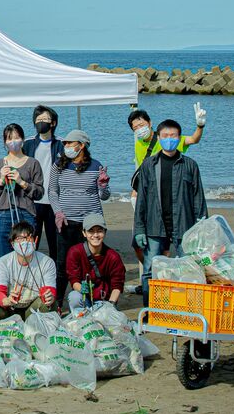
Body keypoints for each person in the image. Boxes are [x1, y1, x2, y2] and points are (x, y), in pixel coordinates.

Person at [133, 119, 207, 306]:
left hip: (184, 226)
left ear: (179, 138)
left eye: (173, 136)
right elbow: (142, 199)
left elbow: (198, 197)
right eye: (165, 136)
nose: (169, 139)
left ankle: (188, 308)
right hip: (155, 226)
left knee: (189, 270)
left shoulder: (190, 165)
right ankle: (150, 310)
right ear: (158, 137)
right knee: (150, 269)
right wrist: (139, 229)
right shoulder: (149, 164)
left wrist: (201, 227)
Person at [48, 129, 110, 304]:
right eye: (65, 143)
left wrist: (103, 185)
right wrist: (57, 212)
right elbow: (52, 190)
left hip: (90, 224)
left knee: (90, 263)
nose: (66, 146)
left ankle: (92, 299)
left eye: (70, 143)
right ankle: (57, 302)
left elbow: (103, 196)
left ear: (81, 145)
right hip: (66, 222)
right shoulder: (58, 165)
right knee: (62, 264)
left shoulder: (96, 166)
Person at [0, 123, 44, 258]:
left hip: (26, 213)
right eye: (9, 138)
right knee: (3, 255)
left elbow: (39, 193)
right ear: (5, 142)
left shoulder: (32, 163)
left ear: (23, 139)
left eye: (17, 138)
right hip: (3, 213)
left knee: (26, 254)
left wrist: (22, 182)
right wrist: (1, 180)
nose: (13, 142)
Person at [0, 221, 56, 323]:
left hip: (32, 309)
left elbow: (50, 290)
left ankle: (36, 330)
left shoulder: (47, 262)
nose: (25, 242)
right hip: (10, 309)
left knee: (47, 303)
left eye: (29, 237)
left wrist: (50, 298)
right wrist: (7, 300)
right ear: (12, 243)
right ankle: (1, 332)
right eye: (20, 239)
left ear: (35, 240)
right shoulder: (3, 262)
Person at [23, 105, 64, 261]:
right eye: (37, 120)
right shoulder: (28, 144)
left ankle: (56, 279)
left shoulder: (62, 144)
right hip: (33, 201)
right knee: (31, 241)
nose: (40, 123)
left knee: (56, 243)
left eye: (44, 119)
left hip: (55, 202)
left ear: (52, 123)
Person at [64, 213, 125, 312]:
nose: (95, 235)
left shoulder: (113, 256)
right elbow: (73, 279)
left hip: (104, 301)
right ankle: (80, 320)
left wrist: (111, 305)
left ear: (105, 232)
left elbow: (117, 285)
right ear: (84, 233)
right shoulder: (75, 252)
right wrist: (81, 289)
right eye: (91, 231)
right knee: (74, 296)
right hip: (83, 298)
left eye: (99, 231)